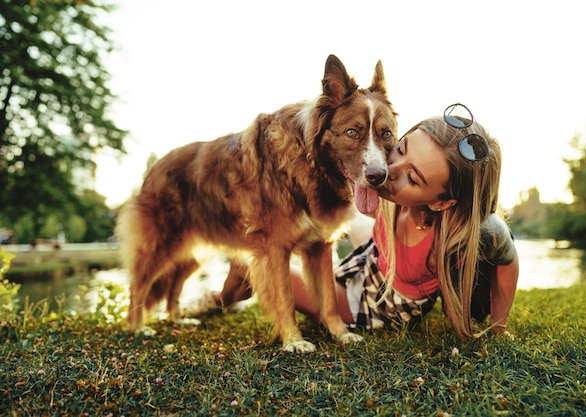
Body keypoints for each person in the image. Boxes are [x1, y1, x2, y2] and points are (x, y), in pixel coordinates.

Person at [189, 103, 519, 338]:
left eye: (413, 178)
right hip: (372, 261)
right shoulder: (390, 193)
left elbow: (507, 259)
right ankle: (232, 297)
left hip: (369, 305)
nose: (389, 170)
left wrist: (499, 329)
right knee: (332, 234)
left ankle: (223, 300)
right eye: (400, 149)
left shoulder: (470, 232)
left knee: (245, 262)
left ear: (442, 201)